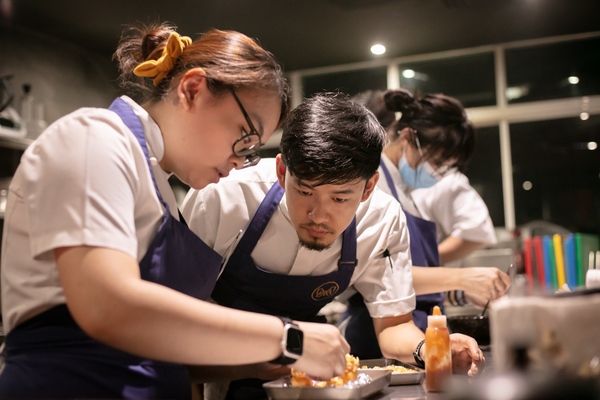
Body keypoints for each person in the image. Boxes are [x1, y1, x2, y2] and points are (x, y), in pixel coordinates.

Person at [0, 23, 351, 399]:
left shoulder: (161, 191)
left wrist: (257, 362)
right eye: (245, 137)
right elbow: (107, 306)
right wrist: (290, 338)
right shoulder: (95, 138)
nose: (240, 161)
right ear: (192, 89)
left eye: (252, 150)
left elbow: (154, 350)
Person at [182, 93, 485, 400]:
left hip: (313, 377)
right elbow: (178, 322)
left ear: (368, 187)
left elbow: (394, 324)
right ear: (282, 172)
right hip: (218, 366)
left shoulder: (381, 219)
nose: (318, 216)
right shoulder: (223, 199)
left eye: (340, 199)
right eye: (304, 191)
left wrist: (430, 349)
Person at [344, 89, 510, 359]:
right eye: (438, 162)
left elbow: (409, 282)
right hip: (380, 339)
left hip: (420, 334)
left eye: (447, 167)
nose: (438, 173)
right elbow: (376, 276)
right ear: (408, 136)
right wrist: (463, 278)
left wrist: (460, 292)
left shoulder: (407, 192)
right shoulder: (374, 184)